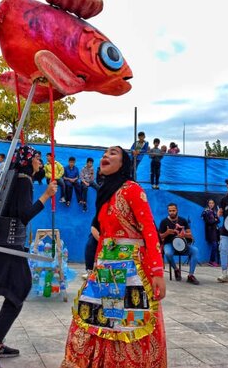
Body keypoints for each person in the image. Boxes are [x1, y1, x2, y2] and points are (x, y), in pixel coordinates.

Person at [62, 146, 166, 368]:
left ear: (123, 164)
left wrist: (157, 271)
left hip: (132, 270)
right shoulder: (105, 193)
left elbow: (149, 228)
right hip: (106, 269)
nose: (105, 157)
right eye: (104, 154)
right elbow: (103, 236)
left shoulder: (132, 189)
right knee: (96, 319)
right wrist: (96, 267)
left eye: (112, 153)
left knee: (128, 324)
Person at [0, 145, 56, 368]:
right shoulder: (23, 180)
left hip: (4, 242)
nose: (40, 161)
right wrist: (46, 195)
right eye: (37, 158)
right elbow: (24, 215)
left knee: (16, 292)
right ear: (28, 161)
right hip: (8, 245)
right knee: (19, 291)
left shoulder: (15, 177)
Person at [159, 203, 200, 284]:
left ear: (177, 210)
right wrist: (167, 233)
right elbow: (159, 237)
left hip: (183, 245)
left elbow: (190, 234)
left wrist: (184, 234)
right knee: (167, 253)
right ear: (168, 211)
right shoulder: (164, 222)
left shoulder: (183, 220)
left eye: (173, 210)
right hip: (169, 244)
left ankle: (190, 275)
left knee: (195, 250)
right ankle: (176, 270)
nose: (172, 212)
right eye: (170, 211)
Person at [201, 199, 220, 267]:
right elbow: (208, 222)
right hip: (210, 231)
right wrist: (215, 219)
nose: (211, 204)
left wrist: (216, 218)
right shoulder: (205, 212)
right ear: (208, 204)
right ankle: (211, 261)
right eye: (210, 203)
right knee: (214, 245)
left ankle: (215, 261)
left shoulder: (214, 212)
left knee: (216, 245)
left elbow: (218, 221)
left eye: (212, 203)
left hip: (215, 231)